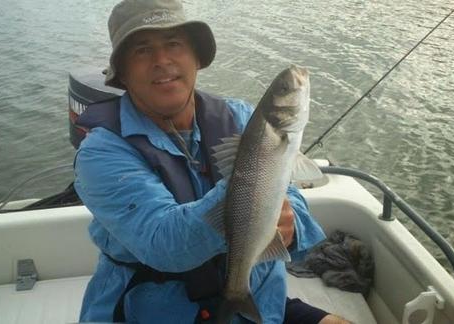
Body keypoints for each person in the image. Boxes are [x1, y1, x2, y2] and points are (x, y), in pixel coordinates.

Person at [74, 0, 351, 323]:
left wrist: (291, 228)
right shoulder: (100, 153)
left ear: (197, 57)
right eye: (142, 50)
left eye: (174, 44)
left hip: (259, 306)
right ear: (122, 72)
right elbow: (165, 244)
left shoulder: (244, 119)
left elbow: (294, 206)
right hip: (157, 310)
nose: (162, 60)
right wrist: (250, 189)